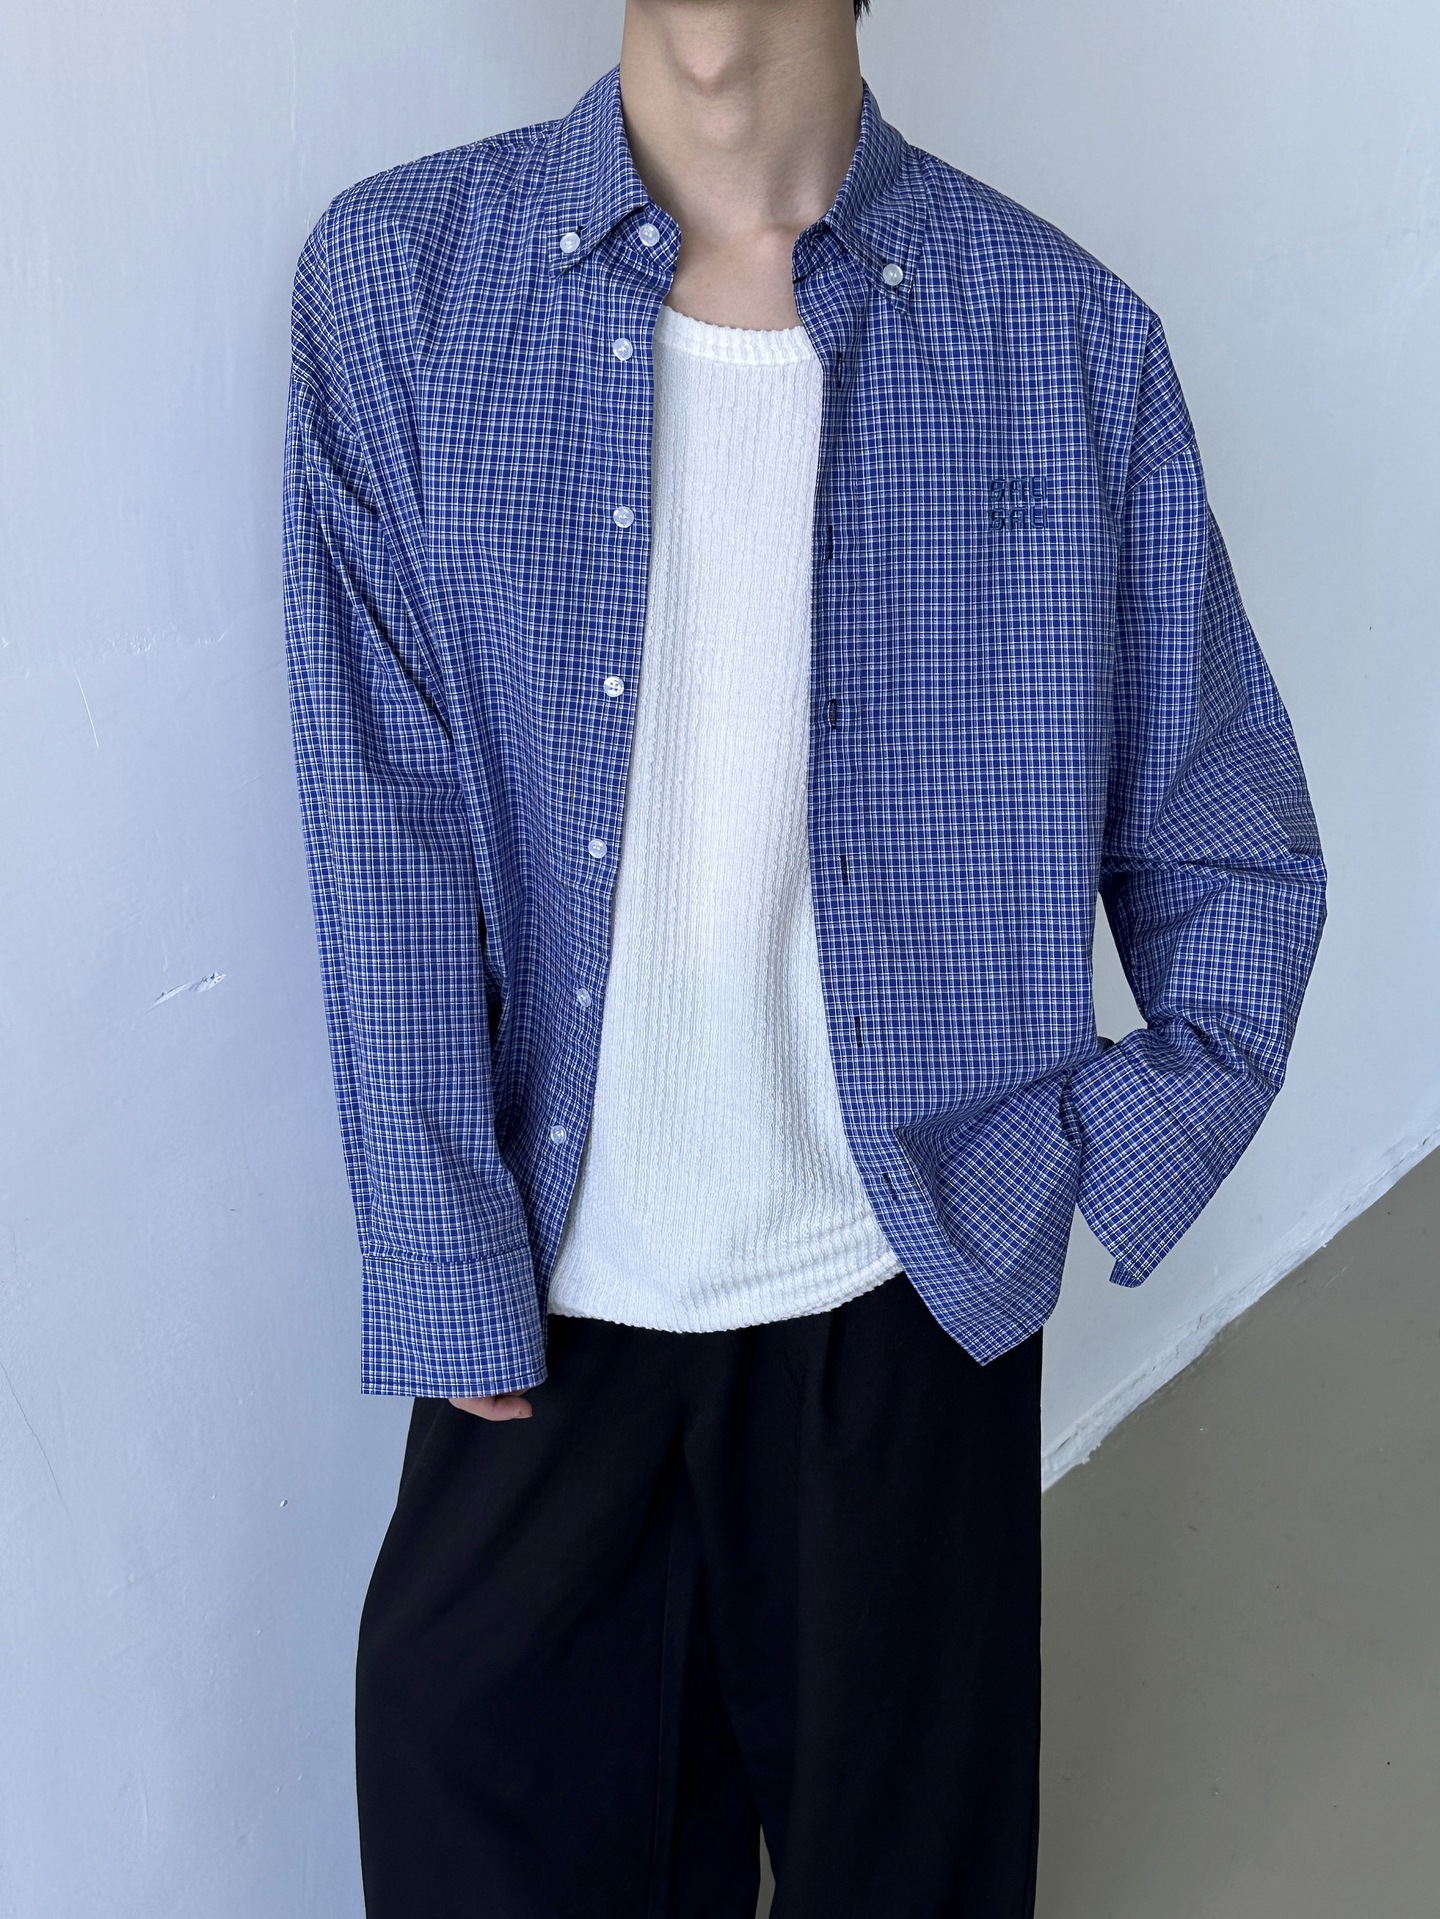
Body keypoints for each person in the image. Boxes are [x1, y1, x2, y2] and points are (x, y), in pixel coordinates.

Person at [281, 0, 1327, 1911]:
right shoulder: (401, 290)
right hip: (546, 1318)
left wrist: (1061, 1179)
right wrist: (441, 1250)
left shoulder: (1063, 340)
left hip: (895, 1309)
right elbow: (385, 830)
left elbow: (1234, 854)